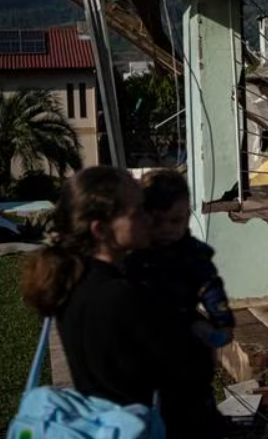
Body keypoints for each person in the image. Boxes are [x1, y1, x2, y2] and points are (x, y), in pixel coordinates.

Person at [20, 166, 212, 438]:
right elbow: (195, 368)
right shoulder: (122, 296)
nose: (150, 218)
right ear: (101, 230)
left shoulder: (69, 283)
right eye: (137, 212)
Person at [126, 169, 233, 436]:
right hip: (151, 342)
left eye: (177, 220)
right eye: (158, 221)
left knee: (196, 398)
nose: (168, 230)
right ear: (144, 217)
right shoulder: (137, 257)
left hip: (187, 333)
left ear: (187, 214)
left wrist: (221, 321)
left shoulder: (192, 254)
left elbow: (210, 287)